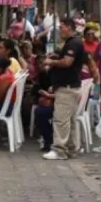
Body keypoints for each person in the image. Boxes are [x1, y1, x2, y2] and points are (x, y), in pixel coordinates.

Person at [42, 18, 85, 160]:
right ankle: (70, 148)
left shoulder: (74, 43)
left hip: (67, 87)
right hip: (67, 86)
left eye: (62, 27)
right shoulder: (70, 43)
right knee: (69, 121)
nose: (60, 30)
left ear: (69, 28)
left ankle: (59, 149)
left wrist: (51, 61)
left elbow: (67, 62)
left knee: (60, 119)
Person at [32, 55, 55, 151]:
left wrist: (49, 95)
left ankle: (49, 139)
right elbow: (36, 89)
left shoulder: (58, 74)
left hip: (61, 104)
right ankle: (49, 137)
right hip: (49, 100)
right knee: (39, 111)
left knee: (40, 112)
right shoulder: (43, 74)